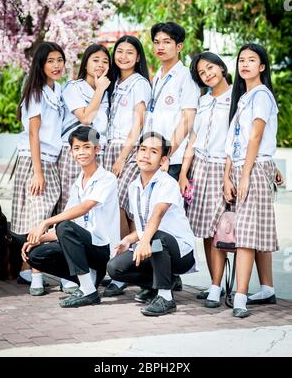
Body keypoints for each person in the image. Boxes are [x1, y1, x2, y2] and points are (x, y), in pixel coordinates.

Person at [212, 43, 279, 318]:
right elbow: (232, 142)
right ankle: (266, 288)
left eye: (252, 60)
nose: (245, 64)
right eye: (242, 60)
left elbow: (255, 137)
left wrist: (247, 174)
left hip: (253, 167)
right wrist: (228, 176)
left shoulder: (262, 95)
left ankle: (240, 297)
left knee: (246, 236)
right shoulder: (243, 98)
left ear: (262, 66)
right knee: (250, 231)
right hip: (240, 167)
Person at [22, 126, 120, 308]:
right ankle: (86, 282)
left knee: (63, 226)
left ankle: (89, 291)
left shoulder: (107, 178)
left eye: (86, 147)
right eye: (76, 148)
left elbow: (84, 208)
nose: (81, 152)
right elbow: (68, 224)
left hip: (103, 251)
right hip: (86, 250)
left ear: (97, 149)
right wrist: (38, 239)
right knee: (35, 254)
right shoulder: (77, 184)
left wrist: (46, 222)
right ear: (71, 152)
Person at [107, 132, 197, 317]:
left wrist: (143, 241)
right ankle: (157, 284)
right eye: (142, 149)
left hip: (180, 252)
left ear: (163, 159)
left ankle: (166, 298)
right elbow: (142, 227)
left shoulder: (168, 183)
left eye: (153, 151)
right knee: (115, 268)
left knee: (156, 237)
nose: (146, 155)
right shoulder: (134, 187)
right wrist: (128, 240)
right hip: (154, 243)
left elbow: (156, 215)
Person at [11, 42, 65, 294]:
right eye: (50, 61)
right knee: (39, 217)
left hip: (52, 160)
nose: (56, 65)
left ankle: (28, 269)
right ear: (40, 65)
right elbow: (34, 134)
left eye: (59, 60)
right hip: (36, 160)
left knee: (48, 214)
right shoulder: (36, 92)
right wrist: (38, 172)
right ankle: (35, 275)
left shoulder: (58, 90)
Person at [57, 44, 111, 293]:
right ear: (86, 63)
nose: (100, 65)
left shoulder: (107, 90)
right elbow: (86, 119)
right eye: (96, 60)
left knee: (95, 211)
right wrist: (100, 89)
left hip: (98, 153)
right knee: (72, 209)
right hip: (75, 153)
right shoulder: (74, 87)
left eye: (104, 62)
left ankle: (91, 267)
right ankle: (70, 274)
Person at [178, 52, 232, 306]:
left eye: (211, 68)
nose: (208, 73)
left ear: (221, 67)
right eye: (202, 72)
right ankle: (216, 284)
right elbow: (193, 140)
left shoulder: (237, 98)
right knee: (206, 233)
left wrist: (228, 176)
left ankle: (216, 287)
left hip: (223, 168)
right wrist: (183, 173)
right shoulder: (204, 101)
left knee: (221, 229)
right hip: (200, 169)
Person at [102, 36, 151, 298]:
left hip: (128, 149)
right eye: (119, 52)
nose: (123, 56)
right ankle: (127, 267)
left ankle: (127, 268)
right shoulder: (115, 83)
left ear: (138, 57)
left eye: (129, 52)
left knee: (122, 205)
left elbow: (138, 122)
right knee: (121, 207)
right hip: (111, 147)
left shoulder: (139, 83)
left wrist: (122, 157)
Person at [144, 22, 200, 181]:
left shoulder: (186, 77)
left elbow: (187, 120)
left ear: (179, 46)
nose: (160, 46)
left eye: (167, 42)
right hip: (153, 156)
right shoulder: (157, 77)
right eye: (156, 42)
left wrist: (166, 155)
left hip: (172, 160)